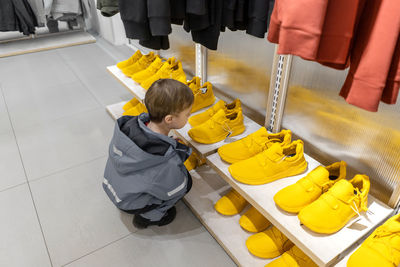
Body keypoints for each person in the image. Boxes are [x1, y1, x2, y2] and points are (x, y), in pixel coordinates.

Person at [103, 79, 194, 228]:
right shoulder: (164, 161)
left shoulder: (129, 127)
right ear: (169, 119)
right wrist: (176, 155)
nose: (189, 116)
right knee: (186, 183)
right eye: (187, 114)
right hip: (131, 203)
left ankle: (136, 205)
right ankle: (149, 218)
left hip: (113, 187)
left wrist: (170, 144)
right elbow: (175, 187)